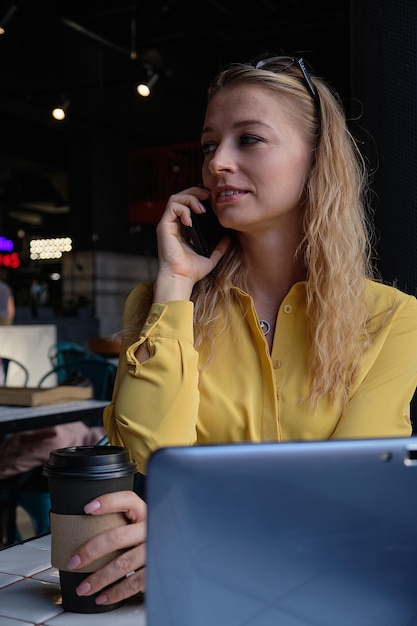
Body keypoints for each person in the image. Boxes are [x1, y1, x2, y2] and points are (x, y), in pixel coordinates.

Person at [64, 53, 417, 606]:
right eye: (209, 145)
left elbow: (353, 506)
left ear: (317, 160)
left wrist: (197, 536)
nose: (217, 164)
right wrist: (176, 282)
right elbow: (147, 465)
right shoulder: (161, 304)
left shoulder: (394, 320)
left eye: (248, 139)